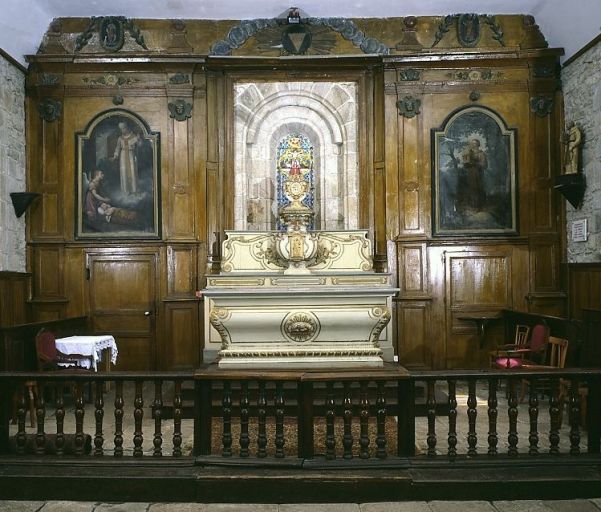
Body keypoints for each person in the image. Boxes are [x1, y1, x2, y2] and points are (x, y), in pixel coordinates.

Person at [111, 121, 141, 195]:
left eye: (123, 128)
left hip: (131, 155)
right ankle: (126, 191)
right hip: (123, 156)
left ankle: (134, 190)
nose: (122, 130)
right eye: (121, 129)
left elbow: (139, 145)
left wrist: (139, 139)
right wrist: (115, 156)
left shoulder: (134, 136)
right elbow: (118, 148)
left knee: (133, 172)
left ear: (127, 127)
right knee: (124, 173)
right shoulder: (120, 138)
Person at [461, 138, 487, 210]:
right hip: (471, 174)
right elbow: (465, 165)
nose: (473, 145)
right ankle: (472, 205)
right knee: (471, 189)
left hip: (478, 174)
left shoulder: (481, 154)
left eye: (475, 143)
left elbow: (484, 165)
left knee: (478, 189)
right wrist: (466, 163)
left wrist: (475, 163)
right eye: (472, 143)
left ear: (478, 144)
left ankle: (479, 206)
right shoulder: (468, 153)